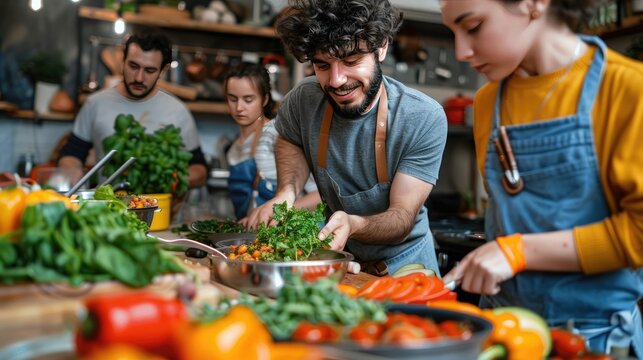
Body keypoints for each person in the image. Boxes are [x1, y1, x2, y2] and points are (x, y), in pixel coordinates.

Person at [439, 0, 643, 356]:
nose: (461, 51)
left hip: (592, 338)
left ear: (534, 4)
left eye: (472, 27)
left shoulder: (627, 90)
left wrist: (519, 251)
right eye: (452, 33)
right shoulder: (488, 101)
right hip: (502, 330)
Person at [245, 0, 448, 276]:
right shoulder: (303, 100)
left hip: (407, 269)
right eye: (323, 65)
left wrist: (355, 224)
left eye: (351, 61)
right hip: (342, 264)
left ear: (382, 47)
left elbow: (402, 217)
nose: (337, 80)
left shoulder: (422, 116)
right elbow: (290, 139)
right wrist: (286, 193)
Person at [57, 28, 207, 189]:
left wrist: (173, 180)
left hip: (160, 210)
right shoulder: (95, 103)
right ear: (123, 60)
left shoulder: (178, 111)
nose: (139, 78)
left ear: (163, 70)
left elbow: (200, 169)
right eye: (133, 66)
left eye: (149, 70)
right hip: (107, 209)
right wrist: (71, 169)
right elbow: (71, 154)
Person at [222, 62, 320, 221]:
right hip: (251, 236)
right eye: (233, 99)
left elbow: (319, 196)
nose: (239, 107)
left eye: (248, 99)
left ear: (265, 99)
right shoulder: (234, 148)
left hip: (285, 233)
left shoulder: (278, 136)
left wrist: (277, 213)